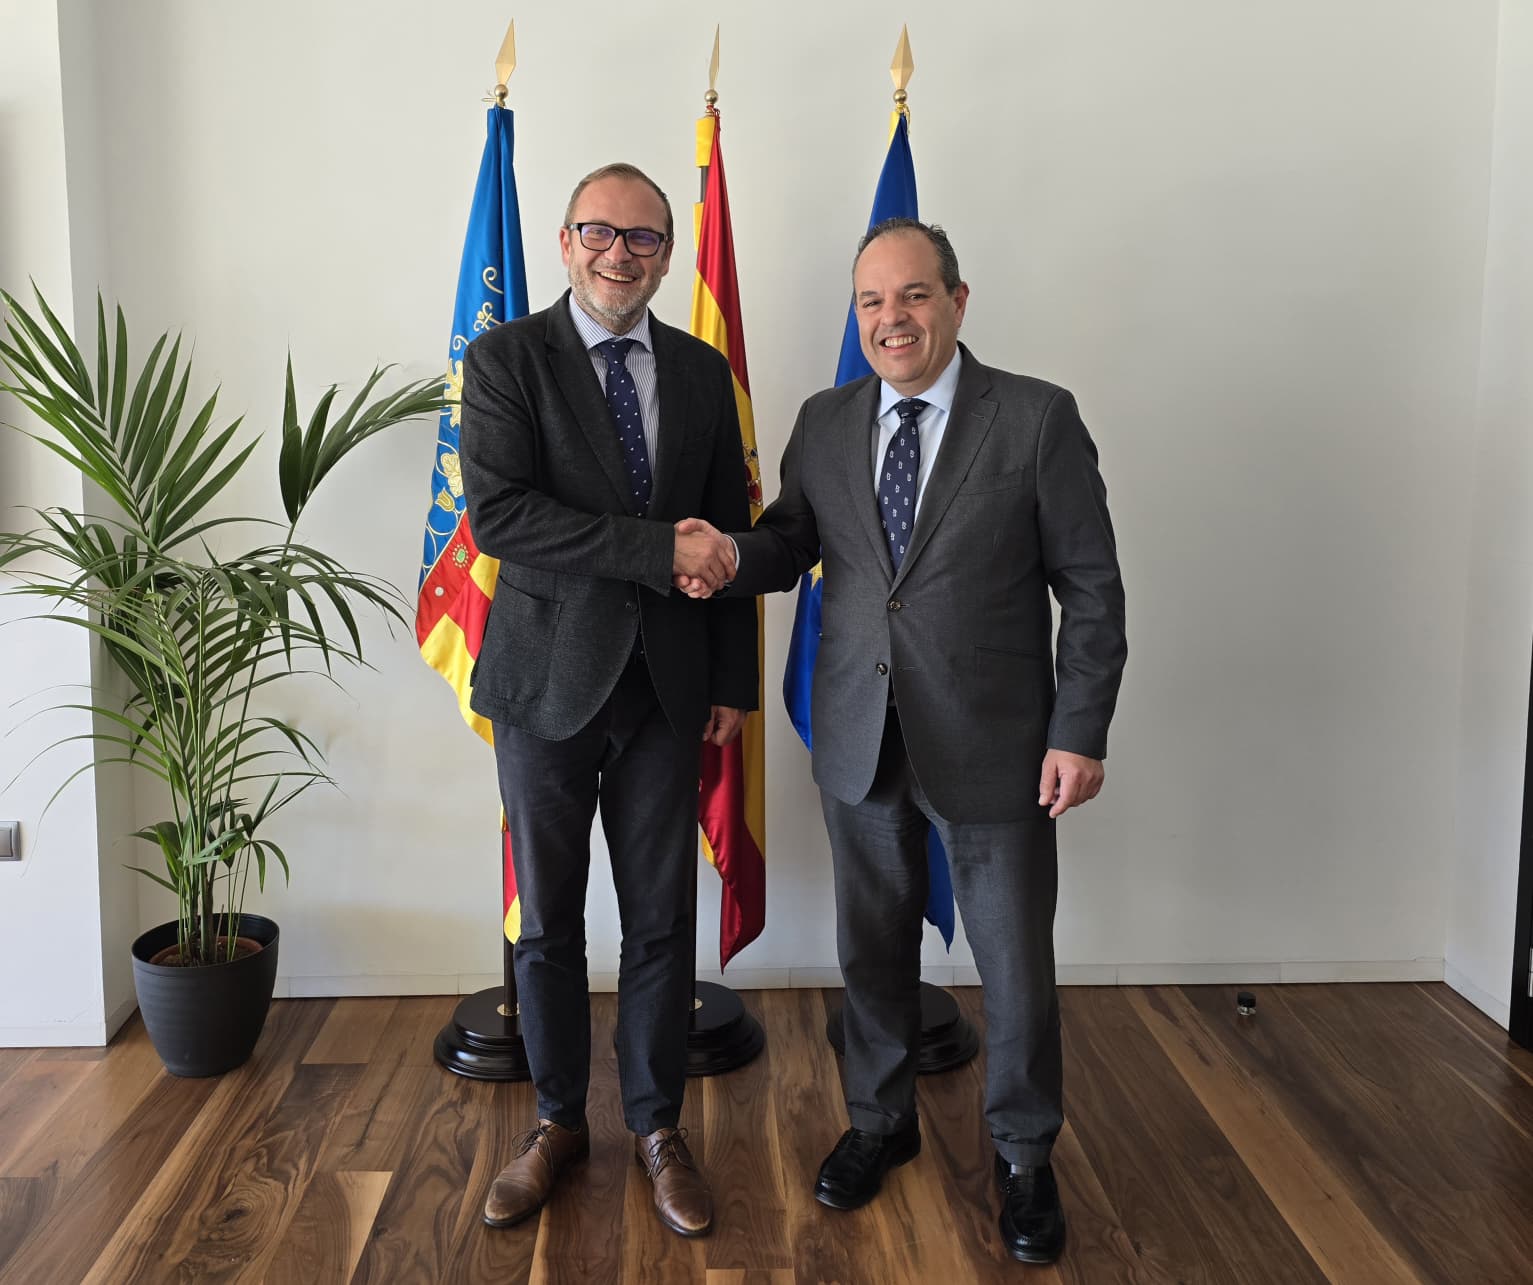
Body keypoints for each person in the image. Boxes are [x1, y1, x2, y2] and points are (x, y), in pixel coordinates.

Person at [677, 217, 1126, 1264]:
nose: (892, 319)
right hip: (858, 733)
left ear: (956, 302)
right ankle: (881, 1121)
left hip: (998, 744)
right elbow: (792, 540)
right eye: (872, 300)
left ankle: (1023, 1156)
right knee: (869, 950)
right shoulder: (827, 419)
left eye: (914, 295)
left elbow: (1092, 588)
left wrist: (1079, 730)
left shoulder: (1036, 417)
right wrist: (724, 556)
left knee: (1014, 963)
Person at [459, 162, 756, 1239]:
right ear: (565, 240)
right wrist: (653, 548)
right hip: (544, 682)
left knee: (661, 919)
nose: (618, 253)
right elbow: (502, 517)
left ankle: (657, 1126)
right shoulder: (505, 359)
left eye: (642, 237)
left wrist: (732, 680)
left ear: (668, 255)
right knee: (547, 923)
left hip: (669, 689)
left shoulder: (702, 369)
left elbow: (725, 532)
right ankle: (554, 1122)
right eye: (599, 231)